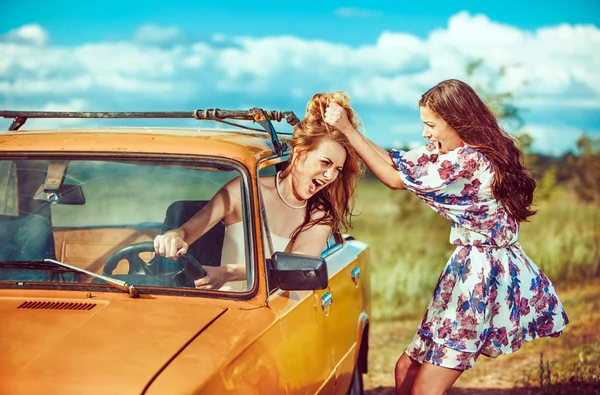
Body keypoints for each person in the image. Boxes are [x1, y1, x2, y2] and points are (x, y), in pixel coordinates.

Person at [324, 79, 569, 394]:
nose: (425, 133)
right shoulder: (455, 152)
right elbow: (397, 162)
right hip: (465, 269)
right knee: (405, 370)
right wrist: (351, 131)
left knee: (426, 389)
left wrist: (346, 130)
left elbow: (393, 179)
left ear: (456, 122)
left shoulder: (469, 161)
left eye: (430, 125)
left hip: (478, 280)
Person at [154, 91, 363, 290]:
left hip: (285, 312)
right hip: (227, 305)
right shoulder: (242, 191)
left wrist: (227, 272)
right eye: (325, 163)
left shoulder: (319, 214)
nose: (330, 176)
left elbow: (299, 267)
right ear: (299, 153)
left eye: (337, 169)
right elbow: (187, 232)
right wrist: (173, 236)